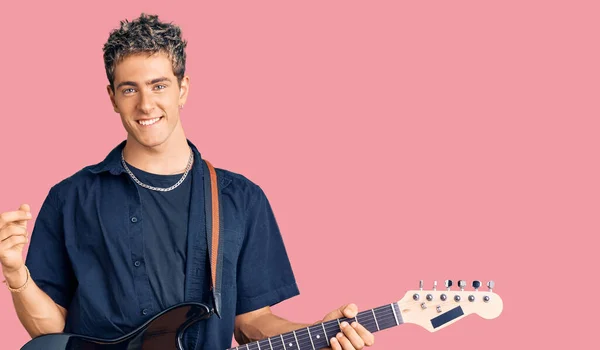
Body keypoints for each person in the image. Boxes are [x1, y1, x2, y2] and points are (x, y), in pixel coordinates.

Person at [0, 13, 375, 350]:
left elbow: (250, 324)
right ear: (112, 97)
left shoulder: (240, 199)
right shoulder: (70, 198)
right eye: (130, 88)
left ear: (183, 89)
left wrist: (317, 333)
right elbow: (48, 333)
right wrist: (16, 273)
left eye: (159, 85)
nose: (146, 105)